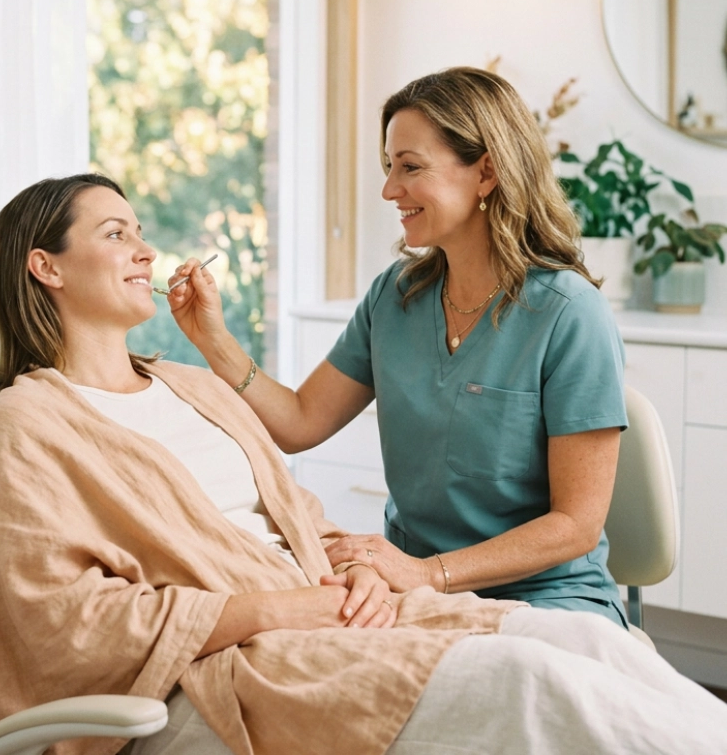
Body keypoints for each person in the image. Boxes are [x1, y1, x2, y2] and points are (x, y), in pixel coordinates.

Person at [0, 172, 727, 755]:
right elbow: (62, 624)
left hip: (340, 606)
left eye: (139, 231)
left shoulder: (189, 387)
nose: (146, 249)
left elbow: (295, 515)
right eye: (116, 234)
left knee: (589, 644)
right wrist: (282, 610)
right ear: (46, 268)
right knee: (531, 685)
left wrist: (355, 568)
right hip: (245, 654)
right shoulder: (28, 427)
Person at [169, 67, 632, 629]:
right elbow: (299, 421)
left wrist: (427, 573)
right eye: (389, 168)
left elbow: (576, 525)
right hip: (413, 592)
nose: (390, 190)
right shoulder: (397, 295)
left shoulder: (567, 312)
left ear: (486, 172)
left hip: (545, 598)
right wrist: (213, 340)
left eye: (410, 168)